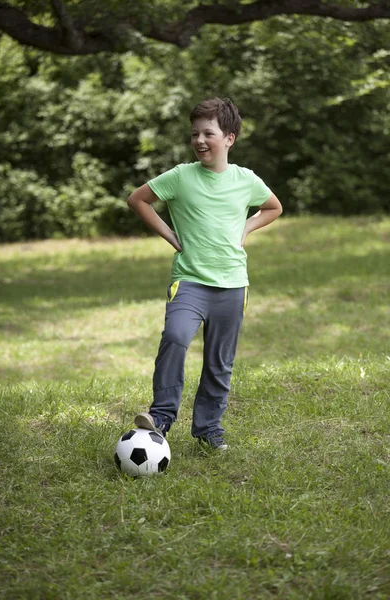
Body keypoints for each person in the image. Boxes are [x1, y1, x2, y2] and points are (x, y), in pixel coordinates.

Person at [127, 97, 282, 450]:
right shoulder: (181, 177)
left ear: (229, 138)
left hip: (232, 285)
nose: (199, 140)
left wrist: (246, 228)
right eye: (194, 133)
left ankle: (209, 429)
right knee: (176, 337)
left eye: (207, 133)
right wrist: (170, 235)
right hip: (190, 281)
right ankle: (162, 416)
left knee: (219, 361)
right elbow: (138, 200)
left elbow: (274, 207)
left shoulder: (246, 180)